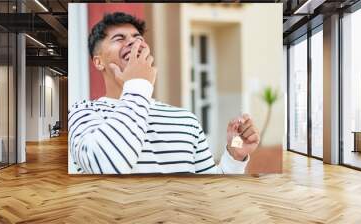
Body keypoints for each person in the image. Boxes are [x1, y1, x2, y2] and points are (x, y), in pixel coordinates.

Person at [68, 12, 260, 174]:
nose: (134, 43)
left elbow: (210, 189)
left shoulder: (186, 120)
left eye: (138, 39)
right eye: (119, 38)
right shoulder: (82, 113)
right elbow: (107, 165)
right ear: (98, 62)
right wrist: (138, 85)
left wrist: (234, 156)